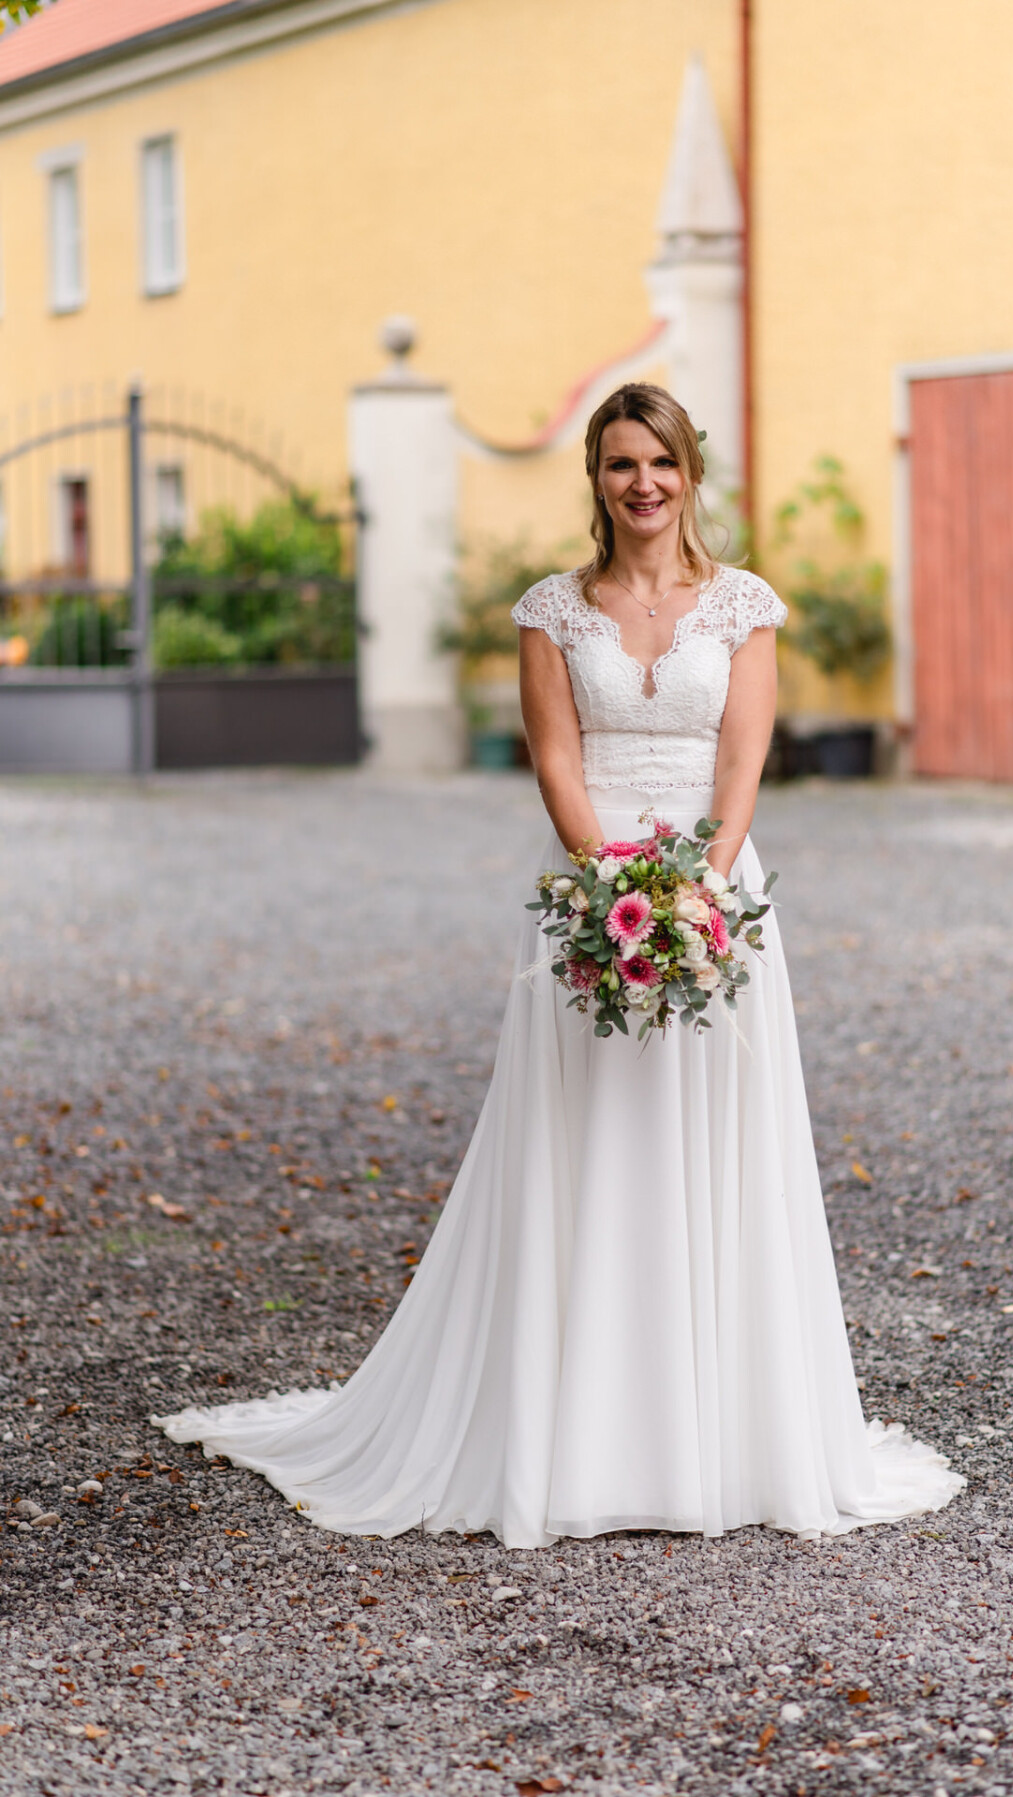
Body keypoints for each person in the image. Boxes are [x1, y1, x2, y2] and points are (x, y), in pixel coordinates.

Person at [154, 383, 963, 1547]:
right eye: (621, 464)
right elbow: (556, 760)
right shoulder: (552, 611)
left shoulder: (743, 607)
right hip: (588, 894)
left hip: (717, 892)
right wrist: (612, 887)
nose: (643, 484)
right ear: (596, 478)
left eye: (661, 463)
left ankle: (724, 1434)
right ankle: (580, 1430)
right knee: (587, 1136)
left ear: (690, 473)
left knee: (716, 1134)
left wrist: (696, 890)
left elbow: (742, 761)